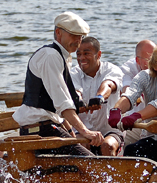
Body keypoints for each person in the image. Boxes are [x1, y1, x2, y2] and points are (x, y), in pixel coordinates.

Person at [12, 11, 103, 156]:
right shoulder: (51, 56)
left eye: (80, 36)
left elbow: (56, 108)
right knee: (90, 163)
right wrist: (85, 131)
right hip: (39, 130)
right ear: (58, 33)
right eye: (73, 35)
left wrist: (70, 133)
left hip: (46, 126)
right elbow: (63, 103)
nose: (78, 40)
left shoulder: (62, 56)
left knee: (85, 159)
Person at [70, 36, 124, 156]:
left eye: (86, 53)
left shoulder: (112, 69)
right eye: (78, 54)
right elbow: (76, 92)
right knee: (82, 147)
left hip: (109, 130)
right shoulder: (73, 73)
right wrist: (78, 101)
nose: (81, 58)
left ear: (98, 54)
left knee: (107, 146)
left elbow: (108, 85)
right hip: (83, 131)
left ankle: (110, 174)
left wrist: (100, 98)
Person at [119, 39, 156, 146]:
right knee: (118, 139)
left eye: (155, 58)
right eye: (149, 59)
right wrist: (133, 97)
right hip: (135, 122)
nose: (153, 63)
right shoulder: (127, 68)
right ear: (137, 60)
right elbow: (126, 88)